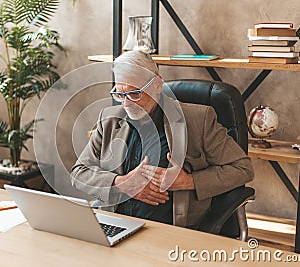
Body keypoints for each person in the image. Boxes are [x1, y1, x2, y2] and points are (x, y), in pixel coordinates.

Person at [70, 50, 254, 228]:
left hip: (168, 230)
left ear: (157, 85)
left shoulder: (199, 120)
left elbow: (242, 169)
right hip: (114, 222)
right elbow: (79, 173)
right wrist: (121, 184)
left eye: (135, 94)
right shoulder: (109, 119)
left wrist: (188, 181)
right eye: (120, 94)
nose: (126, 103)